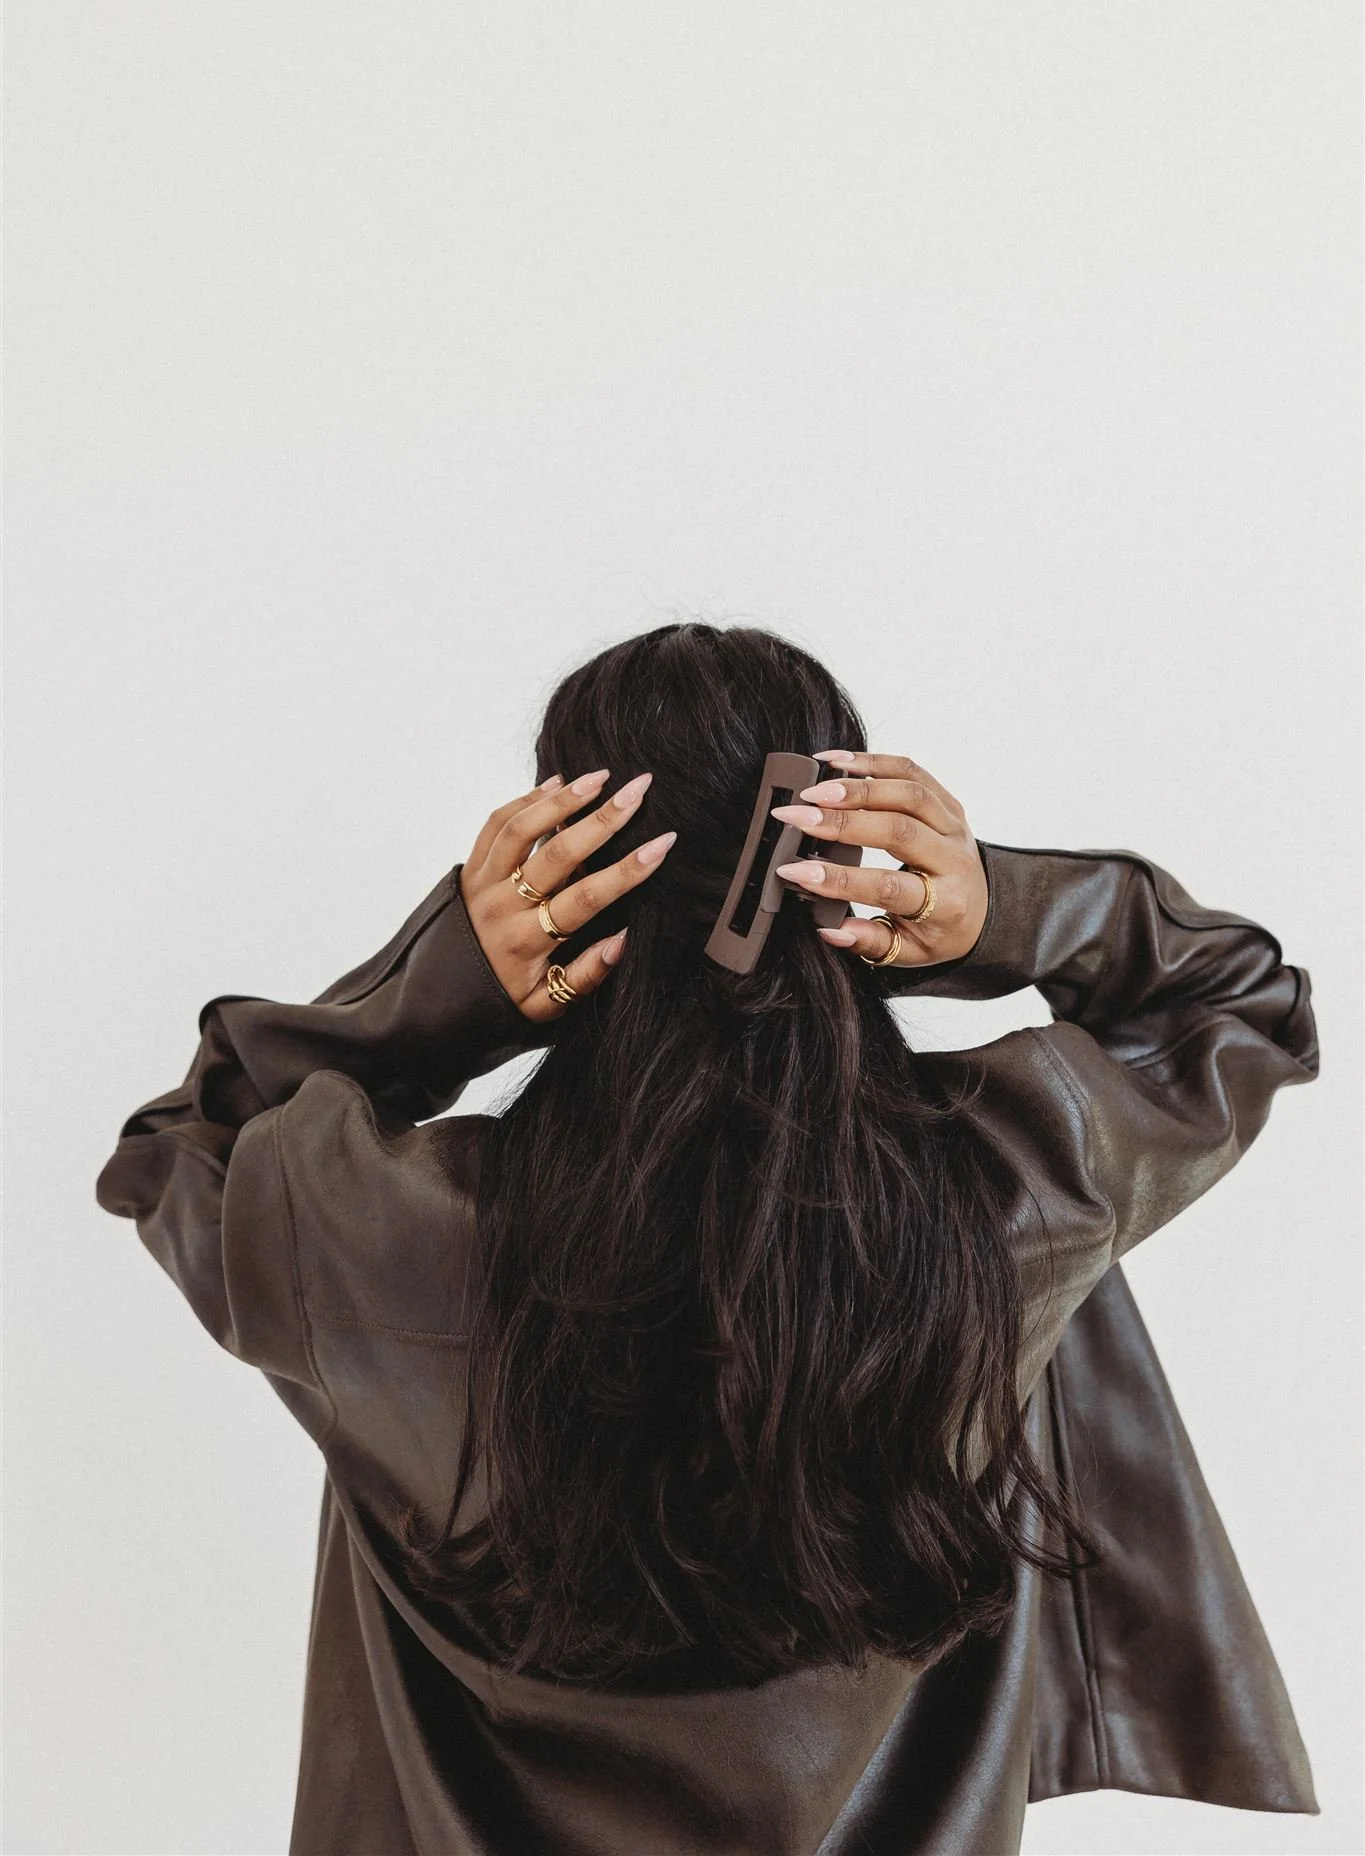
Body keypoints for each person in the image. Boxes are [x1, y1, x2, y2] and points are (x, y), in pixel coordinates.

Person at [96, 621, 1321, 1855]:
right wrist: (998, 908)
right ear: (845, 846)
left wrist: (454, 980)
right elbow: (1244, 1003)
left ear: (565, 876)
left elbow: (179, 1144)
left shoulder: (374, 1228)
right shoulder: (1006, 1190)